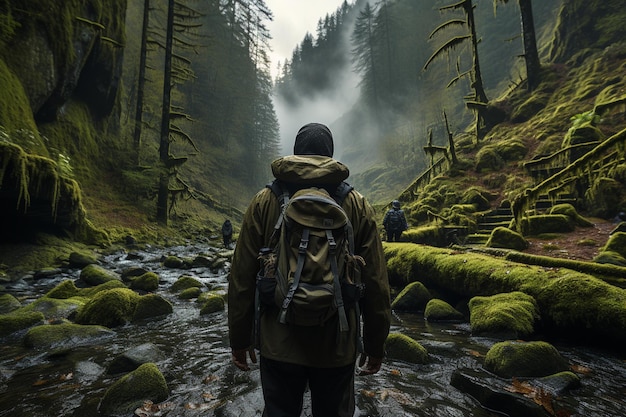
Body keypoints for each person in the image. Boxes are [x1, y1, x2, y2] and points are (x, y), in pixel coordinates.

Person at [227, 122, 391, 417]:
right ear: (329, 154)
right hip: (337, 343)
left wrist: (240, 339)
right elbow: (376, 281)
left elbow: (241, 276)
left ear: (296, 153)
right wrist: (375, 344)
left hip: (278, 339)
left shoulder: (264, 201)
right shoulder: (356, 203)